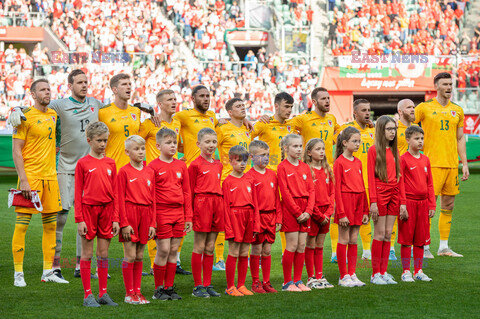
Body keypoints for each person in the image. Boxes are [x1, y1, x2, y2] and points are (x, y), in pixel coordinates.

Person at [11, 79, 67, 287]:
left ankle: (47, 271)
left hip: (50, 178)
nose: (47, 92)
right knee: (22, 226)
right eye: (42, 89)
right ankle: (18, 273)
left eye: (49, 89)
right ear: (33, 94)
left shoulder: (53, 115)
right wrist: (23, 180)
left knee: (51, 226)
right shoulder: (23, 117)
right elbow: (16, 151)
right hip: (31, 178)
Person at [413, 72, 469, 257]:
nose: (448, 87)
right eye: (445, 84)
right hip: (431, 165)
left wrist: (464, 163)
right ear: (436, 86)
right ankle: (424, 246)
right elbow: (408, 126)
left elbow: (460, 138)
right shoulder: (424, 108)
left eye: (450, 84)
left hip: (452, 164)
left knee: (449, 204)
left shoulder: (457, 110)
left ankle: (443, 247)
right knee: (428, 206)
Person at [138, 89, 188, 275]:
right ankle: (154, 264)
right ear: (160, 104)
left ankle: (173, 263)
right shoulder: (150, 124)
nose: (174, 102)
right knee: (155, 220)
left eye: (175, 99)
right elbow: (134, 142)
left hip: (171, 175)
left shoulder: (177, 123)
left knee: (176, 218)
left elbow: (181, 144)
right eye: (169, 99)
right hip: (153, 178)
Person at [75, 121, 119, 307]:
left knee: (103, 253)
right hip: (89, 211)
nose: (103, 144)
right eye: (99, 140)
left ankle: (103, 293)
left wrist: (116, 218)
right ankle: (87, 295)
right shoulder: (82, 163)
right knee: (87, 254)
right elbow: (78, 193)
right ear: (89, 140)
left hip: (107, 211)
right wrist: (79, 219)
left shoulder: (111, 162)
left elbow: (116, 192)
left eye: (105, 140)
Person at [148, 128, 193, 301]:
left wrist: (188, 216)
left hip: (178, 213)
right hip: (162, 212)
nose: (173, 146)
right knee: (164, 249)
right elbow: (151, 196)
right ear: (158, 145)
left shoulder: (181, 165)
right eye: (168, 143)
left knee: (174, 250)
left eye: (174, 142)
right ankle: (158, 289)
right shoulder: (153, 166)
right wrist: (152, 220)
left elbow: (187, 192)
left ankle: (169, 287)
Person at [252, 92, 295, 257]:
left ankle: (288, 253)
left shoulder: (292, 124)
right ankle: (255, 255)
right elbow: (245, 135)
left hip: (288, 176)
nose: (289, 110)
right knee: (263, 214)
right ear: (276, 106)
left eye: (291, 107)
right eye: (286, 106)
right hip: (268, 177)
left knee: (288, 214)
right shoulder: (264, 123)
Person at [214, 98, 252, 270]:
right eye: (238, 106)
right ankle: (220, 258)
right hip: (226, 180)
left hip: (245, 180)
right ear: (229, 112)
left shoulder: (247, 128)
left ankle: (244, 255)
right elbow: (209, 141)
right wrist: (216, 121)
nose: (242, 108)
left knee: (245, 218)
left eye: (243, 106)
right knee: (226, 220)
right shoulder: (222, 128)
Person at [117, 135, 156, 304]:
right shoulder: (124, 171)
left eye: (142, 149)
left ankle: (138, 292)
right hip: (130, 214)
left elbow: (153, 199)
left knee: (140, 256)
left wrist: (153, 223)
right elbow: (119, 198)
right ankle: (129, 293)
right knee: (130, 255)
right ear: (127, 152)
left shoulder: (149, 171)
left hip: (146, 214)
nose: (141, 152)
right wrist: (124, 223)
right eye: (136, 149)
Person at [368, 115, 406, 285]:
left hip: (394, 194)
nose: (393, 132)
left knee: (388, 234)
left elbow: (400, 177)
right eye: (389, 129)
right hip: (380, 193)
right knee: (379, 233)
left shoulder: (396, 150)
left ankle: (383, 272)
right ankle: (375, 273)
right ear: (381, 130)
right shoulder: (373, 150)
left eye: (394, 129)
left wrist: (402, 201)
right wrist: (373, 202)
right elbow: (370, 177)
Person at [336, 99, 375, 262]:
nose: (367, 113)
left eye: (369, 110)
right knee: (344, 232)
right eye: (364, 110)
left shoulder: (373, 131)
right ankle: (335, 254)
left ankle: (366, 251)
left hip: (366, 182)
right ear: (355, 113)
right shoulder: (346, 130)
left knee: (362, 225)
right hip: (348, 187)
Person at [189, 128, 224, 298]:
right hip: (202, 204)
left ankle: (208, 284)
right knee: (200, 246)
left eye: (213, 142)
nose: (211, 145)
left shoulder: (218, 164)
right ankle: (198, 286)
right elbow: (189, 191)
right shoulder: (195, 164)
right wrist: (189, 214)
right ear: (199, 144)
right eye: (207, 142)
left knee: (210, 247)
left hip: (217, 204)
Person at [277, 134, 315, 292]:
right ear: (286, 148)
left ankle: (298, 281)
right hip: (291, 209)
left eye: (300, 146)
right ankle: (287, 282)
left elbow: (312, 190)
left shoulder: (305, 166)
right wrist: (298, 212)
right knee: (292, 245)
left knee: (301, 246)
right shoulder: (282, 167)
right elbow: (284, 193)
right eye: (295, 146)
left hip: (305, 209)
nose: (299, 149)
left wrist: (308, 210)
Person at [399, 126, 436, 282]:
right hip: (409, 203)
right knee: (407, 239)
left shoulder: (425, 159)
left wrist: (432, 205)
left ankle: (418, 270)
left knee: (421, 239)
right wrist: (402, 204)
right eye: (416, 138)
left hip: (423, 204)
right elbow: (399, 183)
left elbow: (430, 184)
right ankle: (406, 271)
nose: (420, 141)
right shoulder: (403, 159)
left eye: (421, 138)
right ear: (408, 140)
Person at [334, 127, 370, 287]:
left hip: (358, 203)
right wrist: (341, 213)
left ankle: (352, 273)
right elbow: (336, 190)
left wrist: (365, 210)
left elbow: (362, 186)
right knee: (344, 239)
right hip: (345, 203)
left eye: (359, 141)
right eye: (354, 141)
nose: (358, 144)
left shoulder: (358, 162)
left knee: (354, 239)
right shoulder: (339, 162)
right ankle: (343, 276)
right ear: (344, 143)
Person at [222, 145, 260, 296]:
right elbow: (225, 207)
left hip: (248, 217)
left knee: (245, 252)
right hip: (234, 216)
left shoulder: (250, 179)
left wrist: (256, 223)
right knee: (234, 251)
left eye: (245, 160)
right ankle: (230, 286)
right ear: (231, 161)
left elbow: (255, 204)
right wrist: (229, 227)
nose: (242, 164)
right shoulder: (227, 182)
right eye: (238, 161)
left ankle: (241, 285)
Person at [246, 140, 282, 294]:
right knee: (256, 249)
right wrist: (254, 221)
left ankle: (266, 282)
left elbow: (276, 199)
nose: (266, 158)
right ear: (252, 157)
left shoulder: (272, 174)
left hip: (271, 217)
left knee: (267, 251)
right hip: (257, 218)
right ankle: (255, 282)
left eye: (267, 155)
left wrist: (279, 218)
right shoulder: (249, 176)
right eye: (262, 155)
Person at [303, 138, 335, 289]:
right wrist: (318, 215)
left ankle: (320, 275)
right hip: (313, 214)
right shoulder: (307, 170)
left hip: (325, 213)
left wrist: (328, 213)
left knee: (320, 245)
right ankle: (311, 277)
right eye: (318, 149)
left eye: (323, 149)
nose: (322, 152)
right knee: (310, 244)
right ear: (309, 153)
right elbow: (309, 196)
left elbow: (332, 193)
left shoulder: (328, 170)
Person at [392, 99, 418, 259]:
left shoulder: (416, 130)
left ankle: (415, 245)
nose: (413, 110)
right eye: (409, 107)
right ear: (400, 111)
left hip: (413, 179)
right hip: (396, 177)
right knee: (394, 211)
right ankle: (390, 248)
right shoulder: (394, 128)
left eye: (414, 107)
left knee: (412, 213)